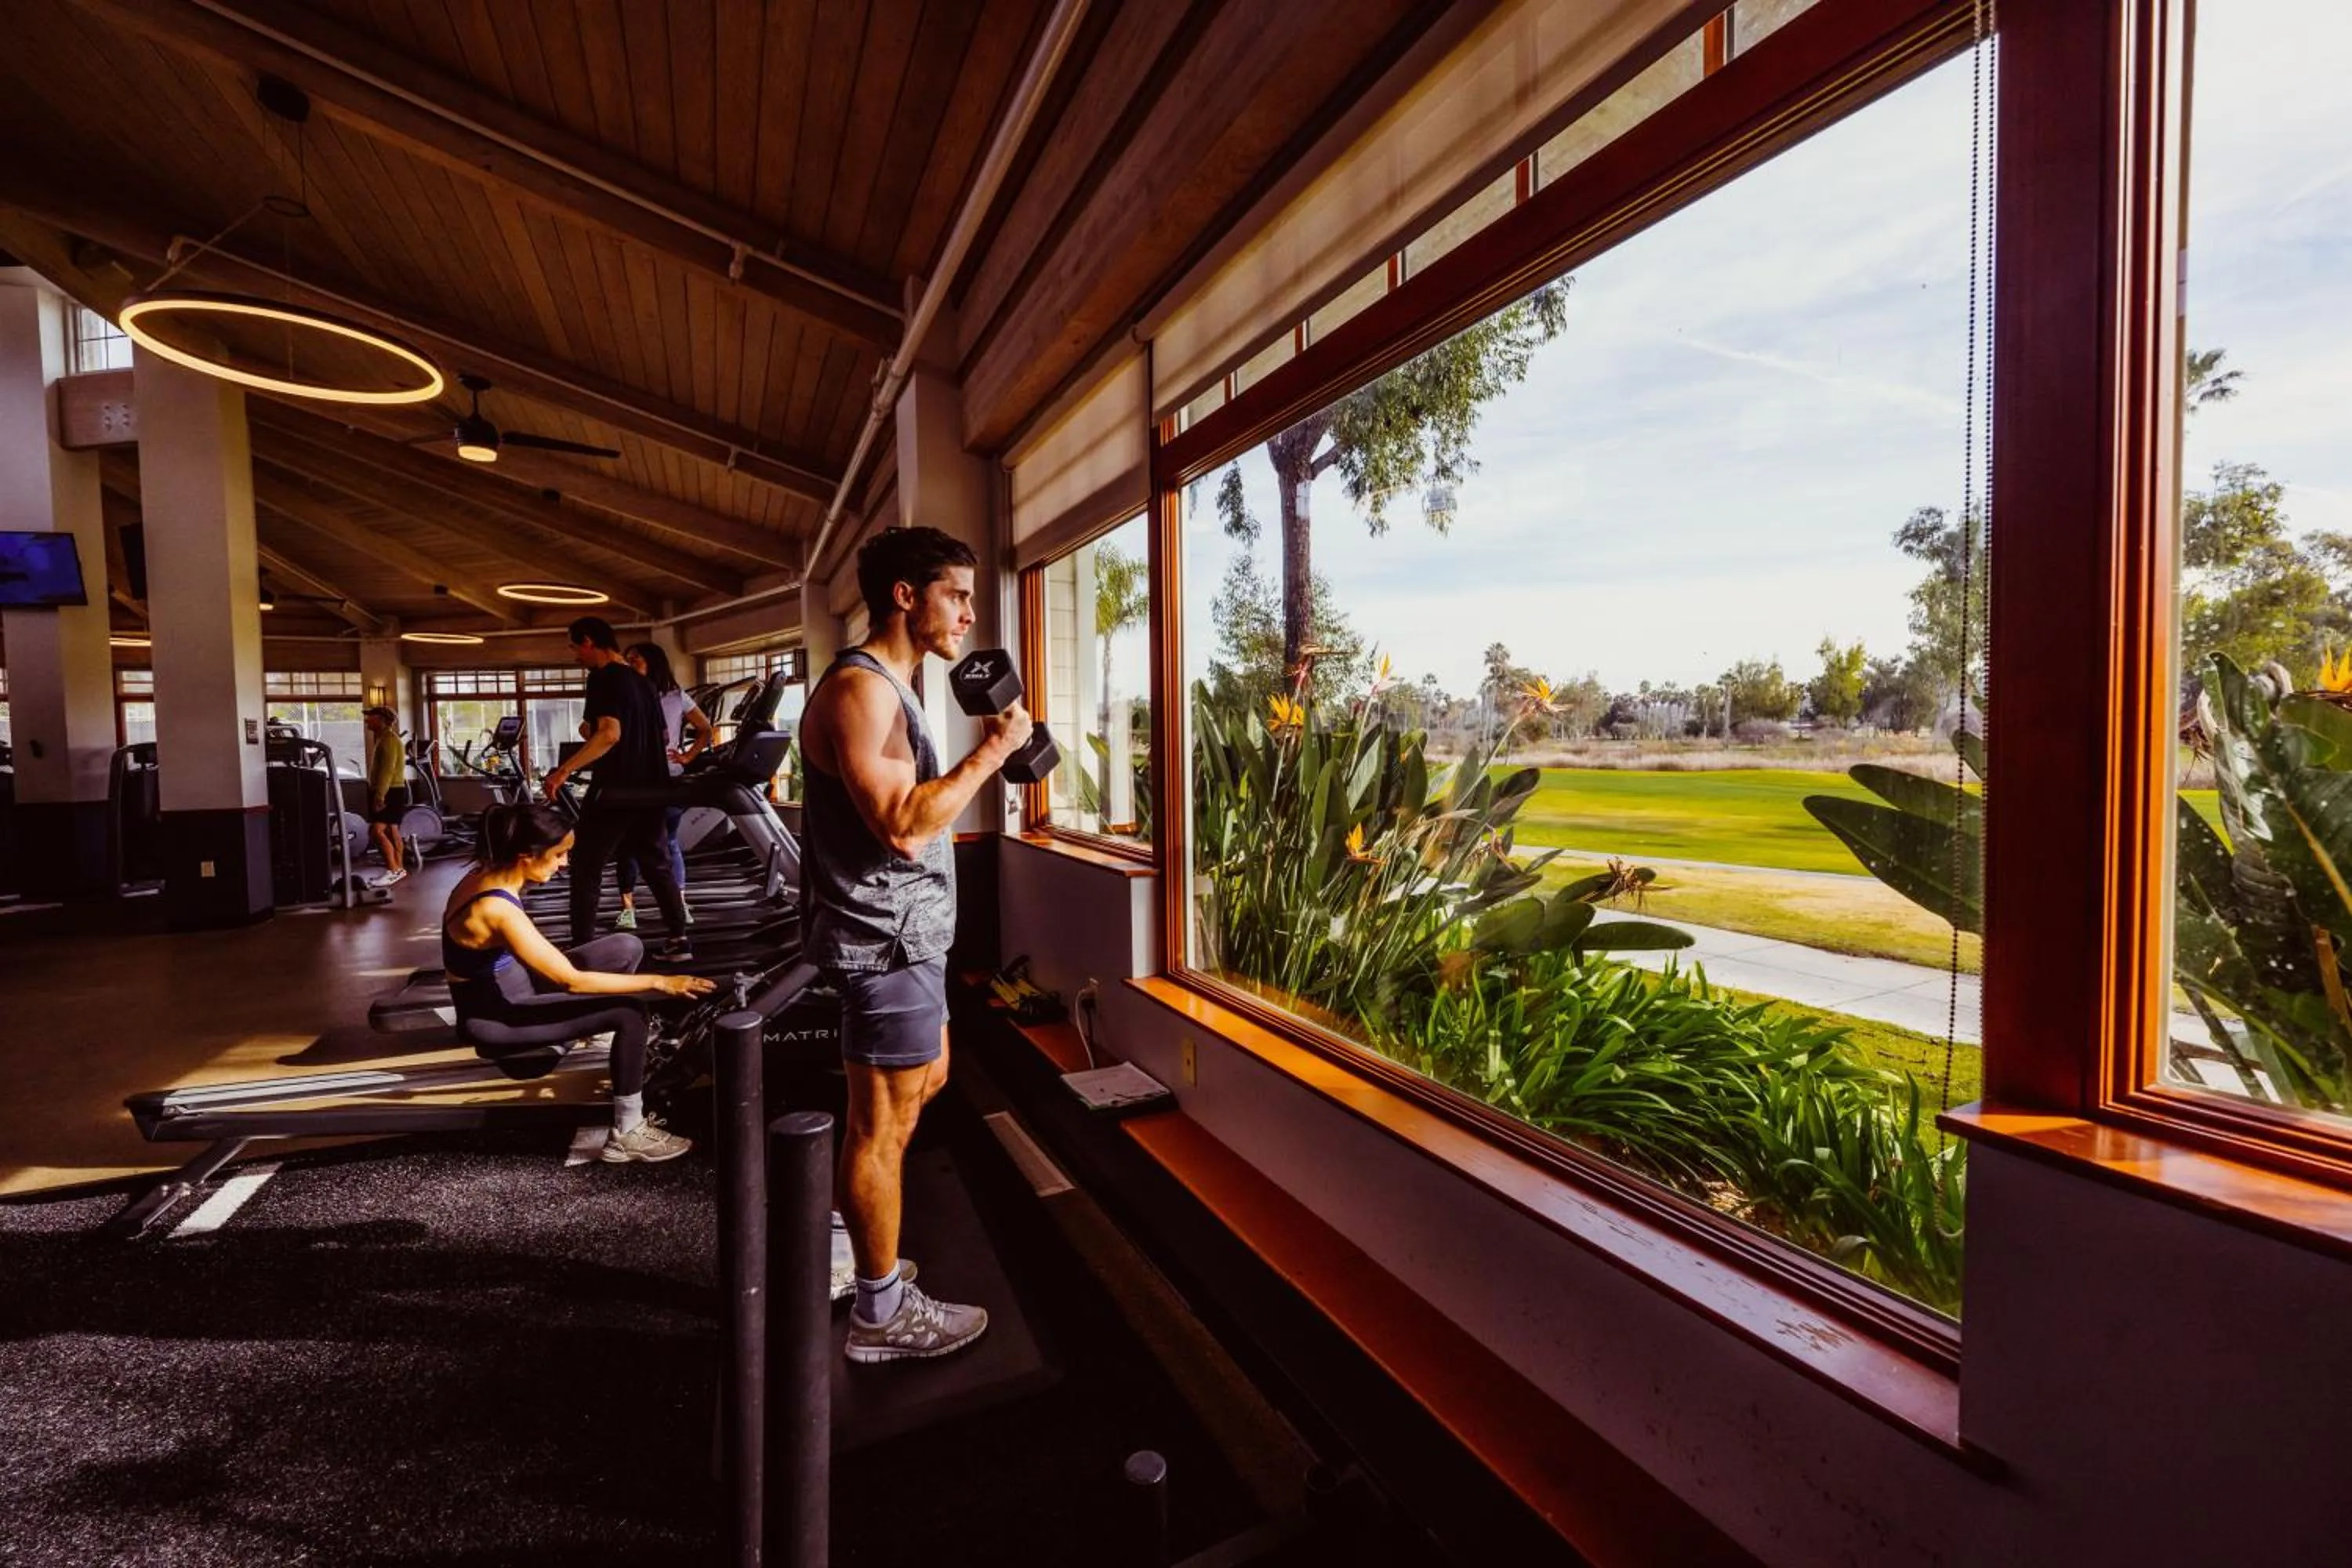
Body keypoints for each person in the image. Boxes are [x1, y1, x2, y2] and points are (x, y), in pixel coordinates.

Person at [800, 525, 1032, 1363]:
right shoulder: (862, 691)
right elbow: (902, 825)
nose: (970, 612)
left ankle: (842, 1243)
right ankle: (880, 1310)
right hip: (887, 943)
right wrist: (995, 749)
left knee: (924, 1081)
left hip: (914, 938)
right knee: (880, 1127)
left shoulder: (893, 685)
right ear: (906, 594)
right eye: (957, 594)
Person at [443, 801, 714, 1161]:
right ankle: (628, 1132)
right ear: (527, 855)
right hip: (502, 1023)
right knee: (632, 1012)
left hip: (516, 990)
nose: (565, 863)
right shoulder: (495, 909)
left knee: (624, 946)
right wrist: (663, 983)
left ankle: (593, 1033)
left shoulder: (490, 873)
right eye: (559, 855)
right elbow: (571, 981)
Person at [541, 616, 693, 959]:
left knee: (585, 865)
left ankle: (581, 946)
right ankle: (679, 940)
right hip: (652, 789)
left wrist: (562, 771)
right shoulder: (644, 684)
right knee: (657, 863)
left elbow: (609, 734)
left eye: (574, 647)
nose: (574, 655)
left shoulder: (603, 678)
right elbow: (663, 736)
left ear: (589, 641)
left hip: (616, 790)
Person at [614, 641, 715, 933]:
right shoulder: (625, 694)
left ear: (653, 663)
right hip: (633, 779)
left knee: (669, 842)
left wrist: (687, 756)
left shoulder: (675, 696)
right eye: (628, 660)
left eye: (636, 661)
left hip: (668, 778)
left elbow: (706, 729)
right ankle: (628, 909)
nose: (630, 665)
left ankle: (679, 902)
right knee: (631, 846)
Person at [363, 706, 410, 891]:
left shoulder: (389, 740)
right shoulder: (385, 739)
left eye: (371, 718)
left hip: (390, 790)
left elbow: (387, 770)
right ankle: (399, 869)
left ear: (381, 719)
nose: (367, 721)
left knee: (376, 832)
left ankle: (392, 869)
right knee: (392, 830)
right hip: (392, 790)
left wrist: (380, 796)